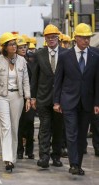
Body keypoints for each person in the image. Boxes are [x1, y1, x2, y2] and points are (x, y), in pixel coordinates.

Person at [53, 23, 99, 175]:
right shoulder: (65, 56)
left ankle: (78, 165)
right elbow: (58, 80)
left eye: (88, 38)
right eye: (84, 38)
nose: (87, 41)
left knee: (81, 136)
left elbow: (97, 82)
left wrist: (97, 103)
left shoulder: (95, 55)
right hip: (69, 101)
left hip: (86, 102)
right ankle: (73, 164)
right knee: (71, 133)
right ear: (76, 39)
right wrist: (56, 101)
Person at [0, 32, 30, 172]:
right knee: (5, 126)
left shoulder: (22, 60)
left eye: (15, 44)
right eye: (11, 44)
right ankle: (7, 159)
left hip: (17, 96)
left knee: (14, 127)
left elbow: (26, 80)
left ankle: (12, 157)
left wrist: (28, 97)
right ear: (5, 47)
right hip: (1, 96)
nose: (15, 46)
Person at [30, 24, 65, 169]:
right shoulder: (39, 55)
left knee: (58, 129)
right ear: (45, 38)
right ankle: (44, 157)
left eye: (53, 37)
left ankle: (56, 156)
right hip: (43, 98)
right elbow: (35, 78)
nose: (51, 39)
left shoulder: (65, 53)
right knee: (44, 128)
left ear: (58, 38)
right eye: (48, 37)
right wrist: (33, 97)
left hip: (60, 99)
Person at [16, 36, 36, 160]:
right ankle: (19, 150)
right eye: (20, 47)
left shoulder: (32, 61)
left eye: (24, 47)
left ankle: (29, 150)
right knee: (19, 124)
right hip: (18, 97)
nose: (23, 49)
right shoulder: (14, 62)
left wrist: (33, 97)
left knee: (30, 122)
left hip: (30, 97)